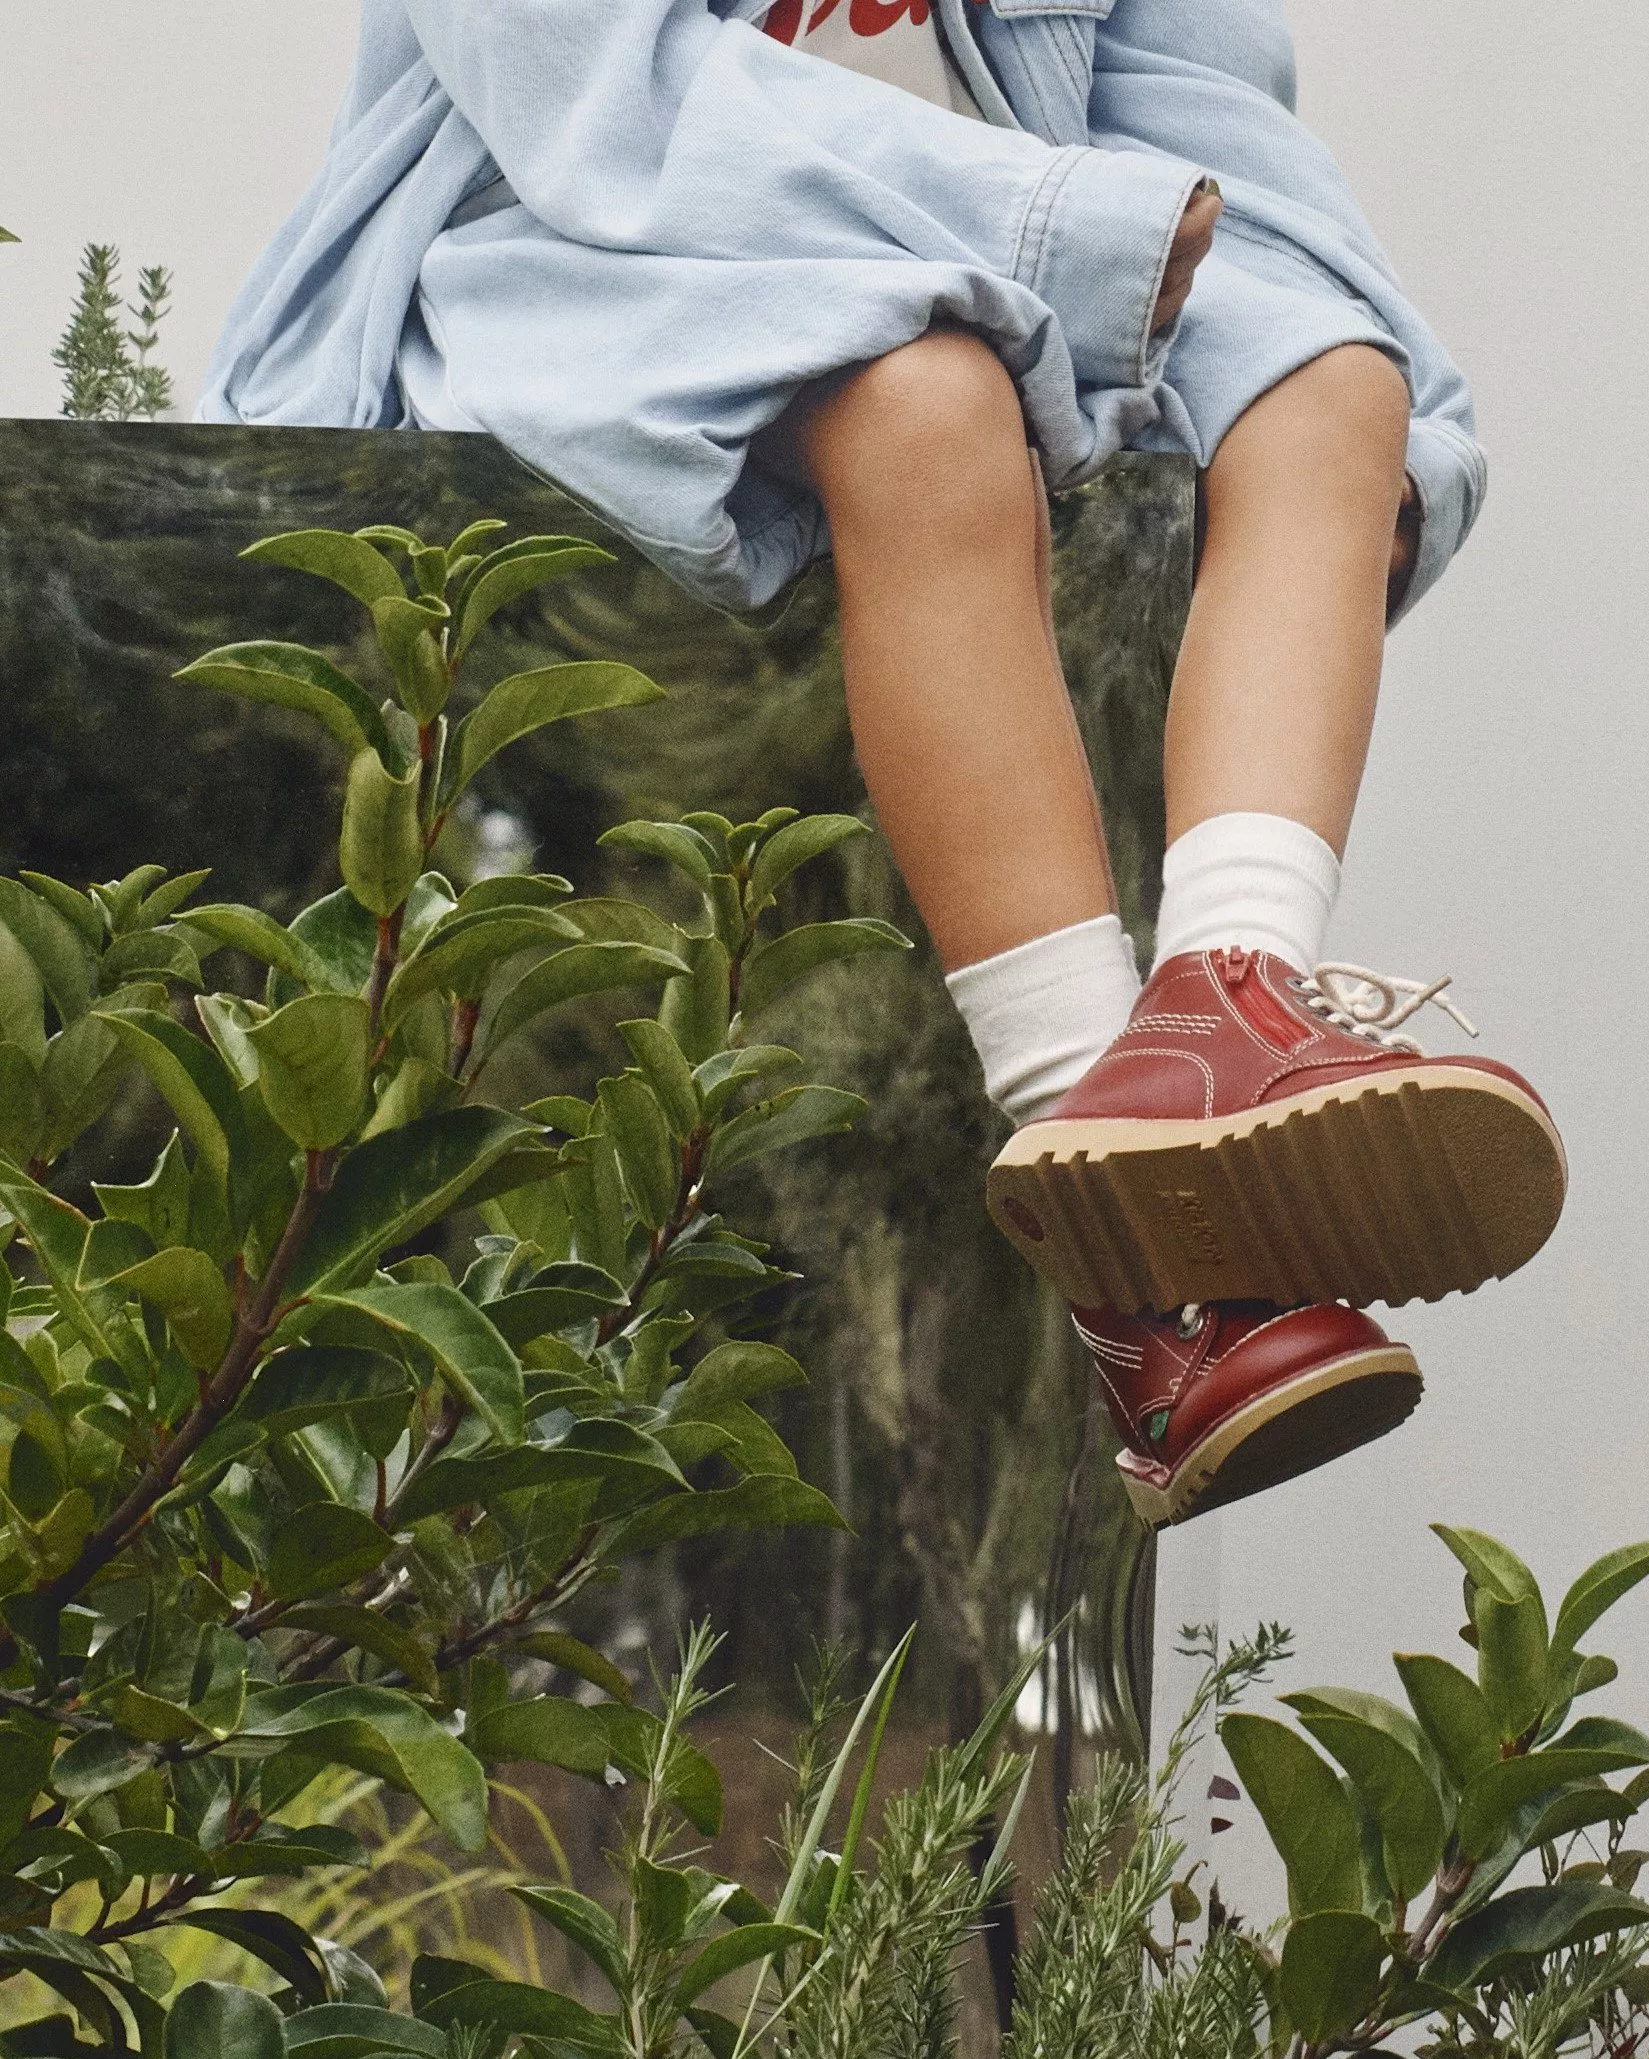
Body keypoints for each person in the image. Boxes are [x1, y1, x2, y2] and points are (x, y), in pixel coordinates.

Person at [204, 0, 1563, 1527]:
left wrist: (1305, 316)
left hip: (1010, 261)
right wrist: (1057, 226)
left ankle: (1223, 1012)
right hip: (579, 243)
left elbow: (1202, 108)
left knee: (1337, 390)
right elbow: (602, 102)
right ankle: (1137, 1258)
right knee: (926, 398)